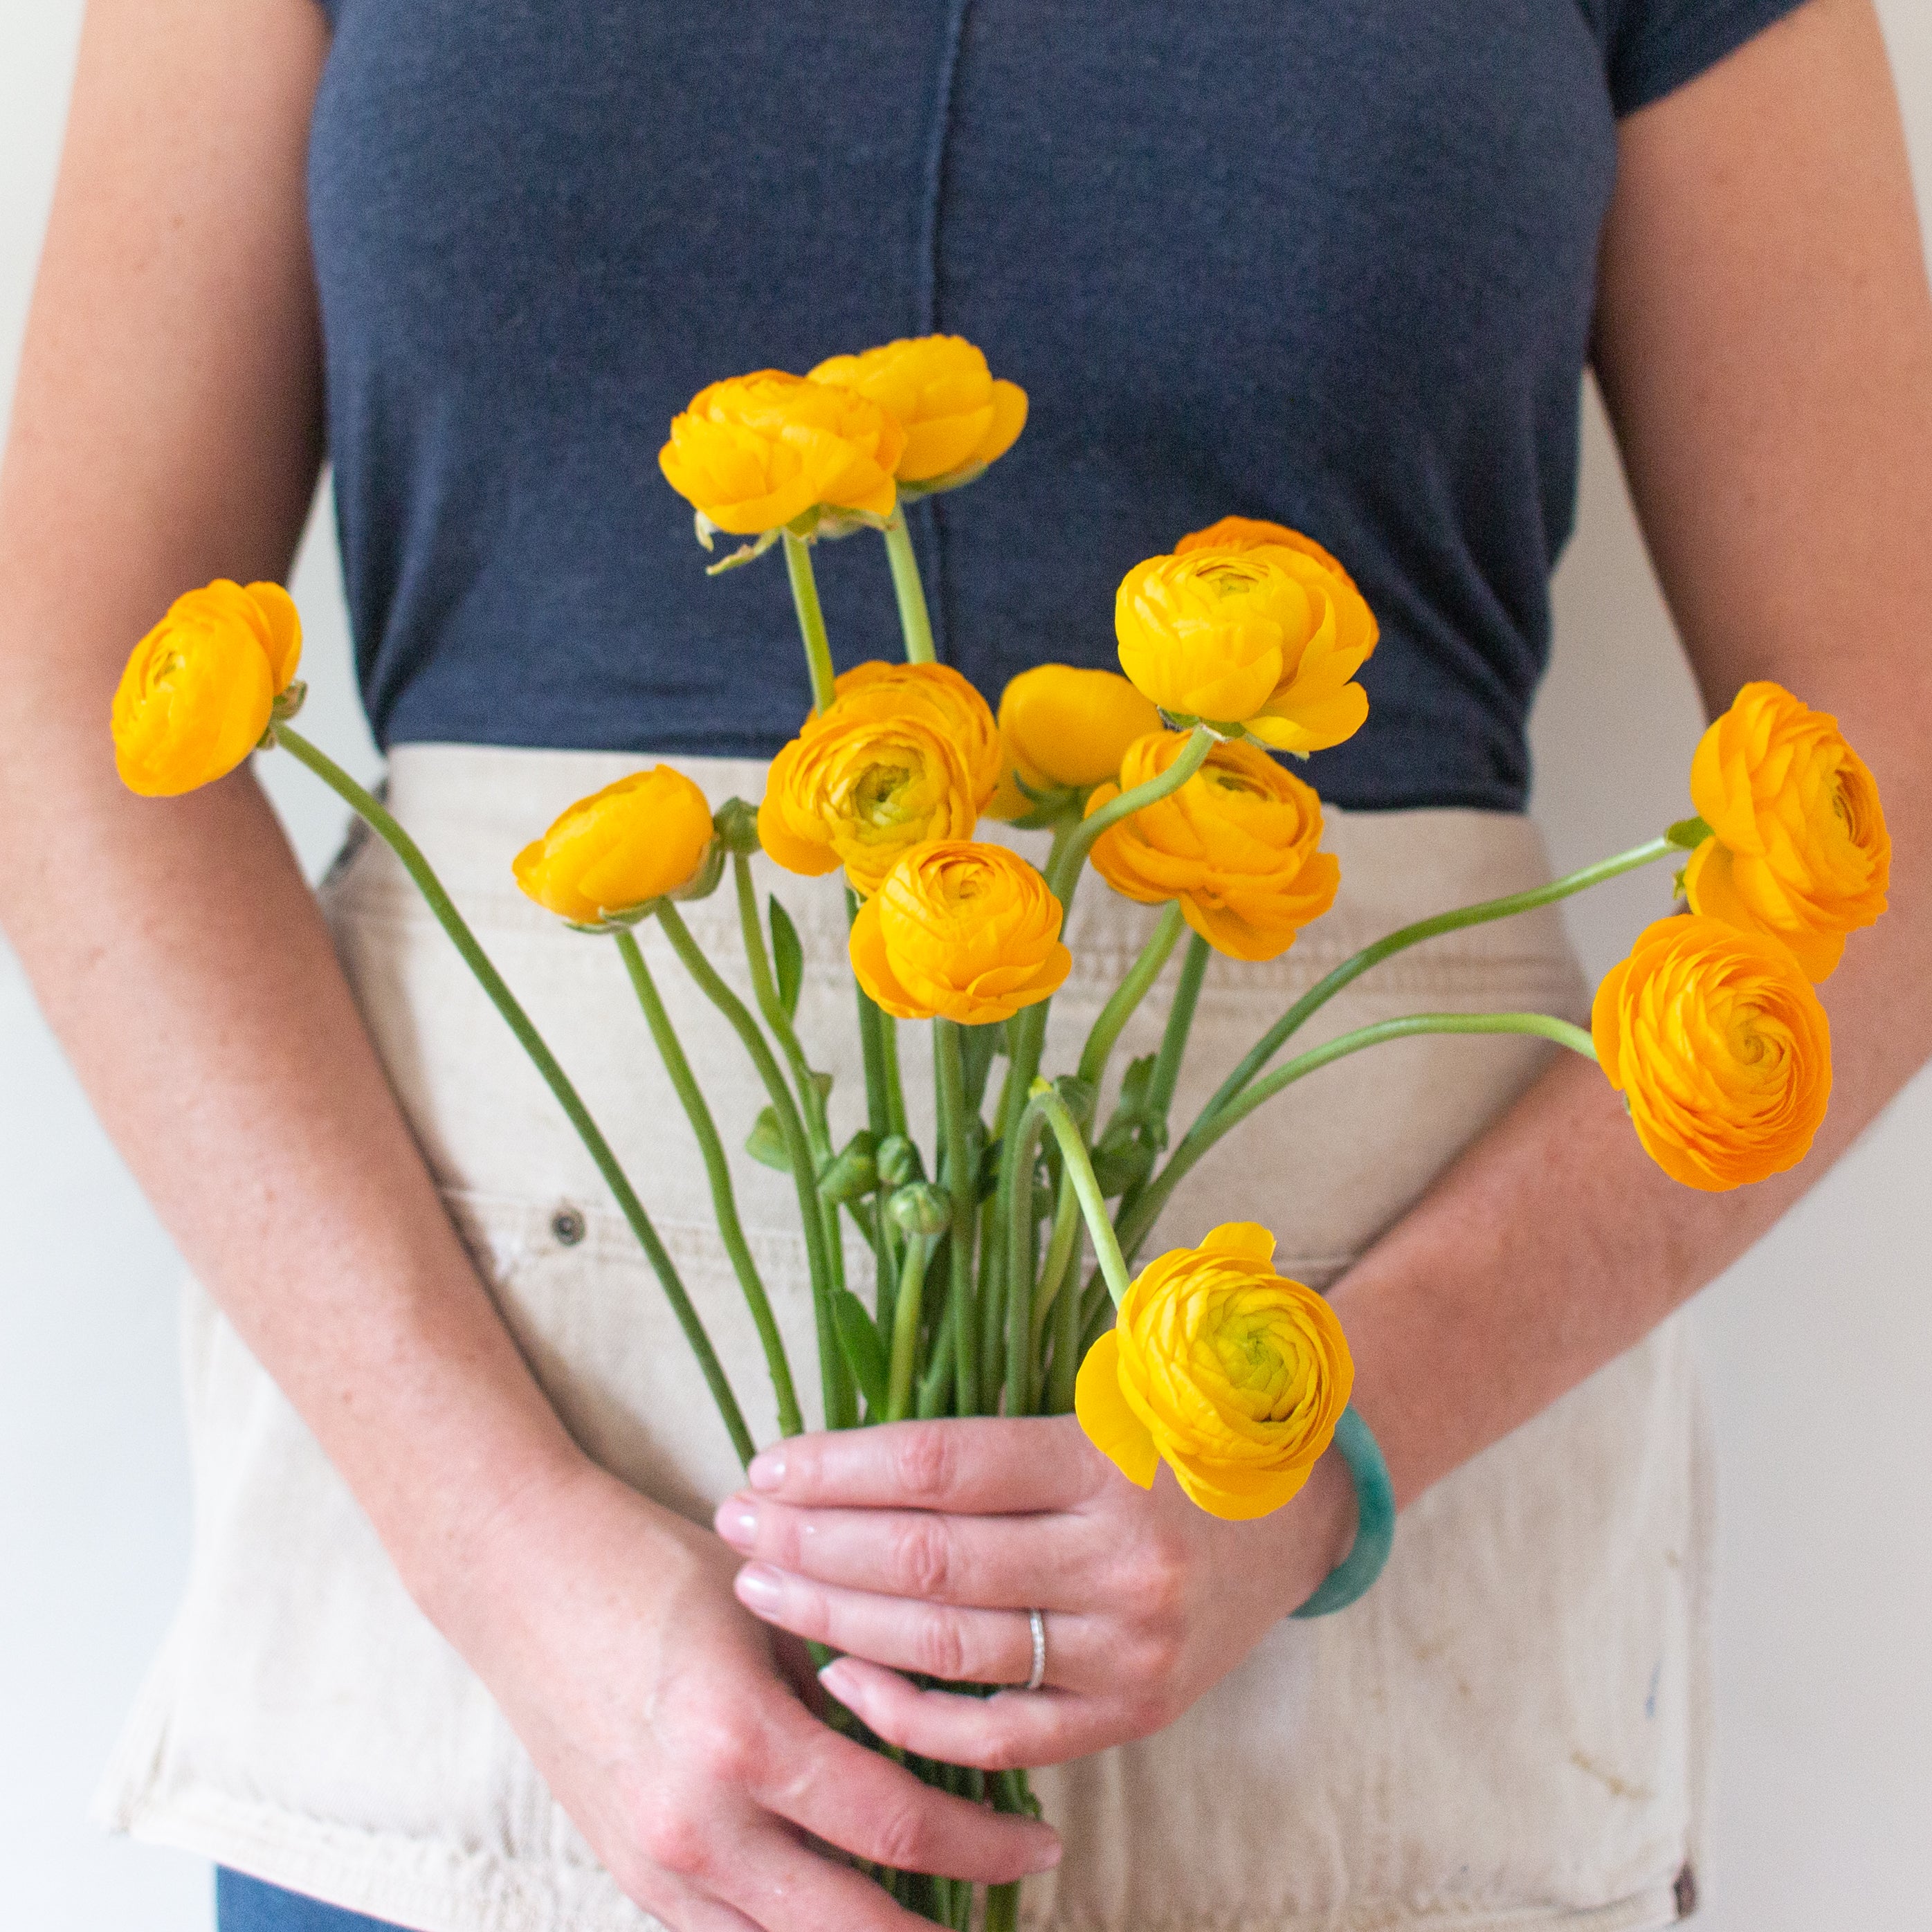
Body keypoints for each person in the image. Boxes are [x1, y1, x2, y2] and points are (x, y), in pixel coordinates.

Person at [2, 1, 1929, 1929]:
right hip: (490, 1725)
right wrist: (503, 1555)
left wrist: (1338, 1444)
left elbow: (1902, 773)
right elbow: (62, 695)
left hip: (1365, 1715)